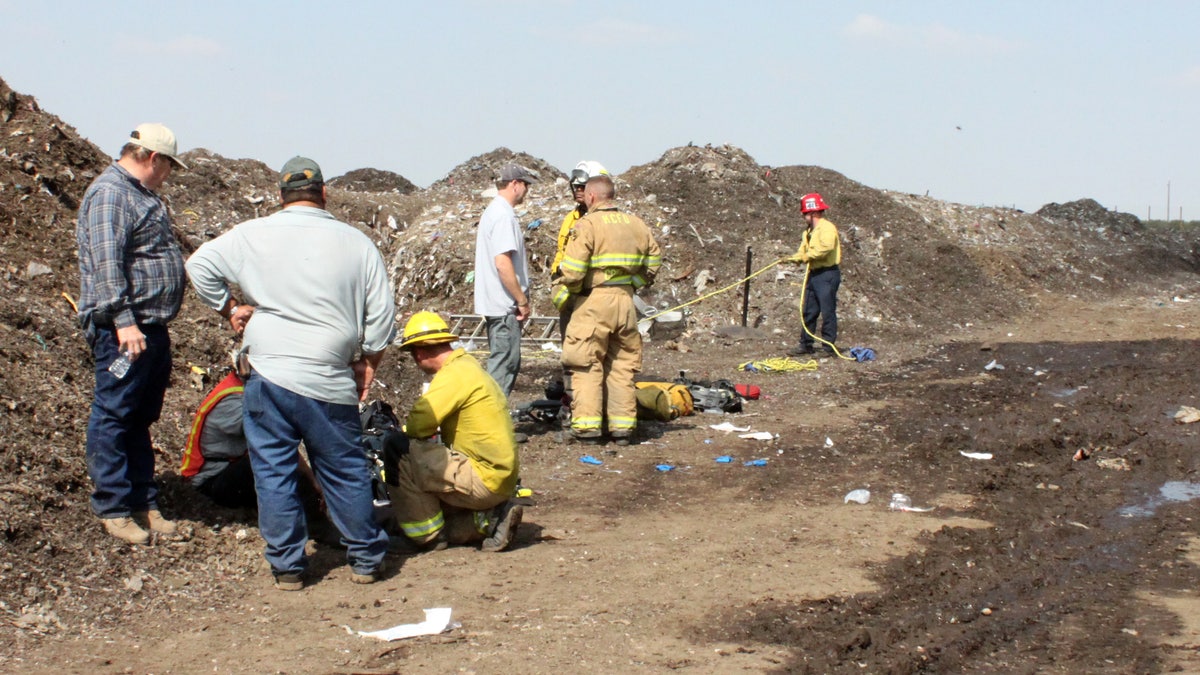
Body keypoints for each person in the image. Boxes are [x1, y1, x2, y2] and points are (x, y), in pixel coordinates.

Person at [185, 156, 394, 590]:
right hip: (327, 374)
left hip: (268, 373)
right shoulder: (356, 243)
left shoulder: (252, 234)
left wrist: (230, 308)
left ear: (281, 197)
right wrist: (368, 362)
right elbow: (382, 316)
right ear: (323, 194)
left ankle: (288, 567)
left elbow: (199, 266)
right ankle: (366, 558)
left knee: (273, 470)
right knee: (344, 467)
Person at [76, 123, 188, 545]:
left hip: (150, 327)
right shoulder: (111, 195)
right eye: (169, 167)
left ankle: (144, 500)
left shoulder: (140, 195)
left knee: (140, 416)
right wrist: (124, 321)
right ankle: (114, 506)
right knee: (115, 413)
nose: (170, 175)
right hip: (125, 330)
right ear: (152, 158)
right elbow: (107, 263)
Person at [385, 311, 523, 553]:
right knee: (433, 487)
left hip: (483, 479)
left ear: (419, 351)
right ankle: (487, 520)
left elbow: (419, 423)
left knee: (398, 448)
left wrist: (410, 435)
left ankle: (425, 536)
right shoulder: (468, 366)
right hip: (500, 477)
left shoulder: (452, 375)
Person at [558, 175, 661, 444]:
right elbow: (655, 258)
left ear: (591, 197)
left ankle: (588, 429)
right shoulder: (636, 224)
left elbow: (573, 271)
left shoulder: (587, 225)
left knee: (586, 363)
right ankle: (623, 429)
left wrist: (566, 289)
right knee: (622, 366)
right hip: (626, 303)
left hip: (593, 301)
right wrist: (635, 284)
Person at [179, 370, 323, 514]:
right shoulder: (232, 400)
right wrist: (311, 480)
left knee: (278, 467)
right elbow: (274, 440)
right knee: (274, 467)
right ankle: (315, 525)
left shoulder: (241, 389)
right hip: (208, 480)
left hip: (226, 470)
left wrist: (311, 478)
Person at [474, 163, 537, 397]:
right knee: (504, 365)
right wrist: (521, 299)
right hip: (504, 307)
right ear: (515, 184)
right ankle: (491, 426)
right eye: (526, 185)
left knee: (505, 362)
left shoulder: (494, 212)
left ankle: (493, 423)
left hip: (497, 306)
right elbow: (503, 263)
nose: (527, 191)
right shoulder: (503, 217)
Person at [786, 192, 842, 358]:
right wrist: (794, 258)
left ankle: (828, 346)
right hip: (814, 274)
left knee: (827, 310)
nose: (804, 216)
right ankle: (806, 344)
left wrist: (805, 257)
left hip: (827, 274)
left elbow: (825, 248)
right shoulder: (808, 231)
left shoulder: (827, 228)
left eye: (805, 213)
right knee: (809, 311)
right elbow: (804, 250)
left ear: (812, 212)